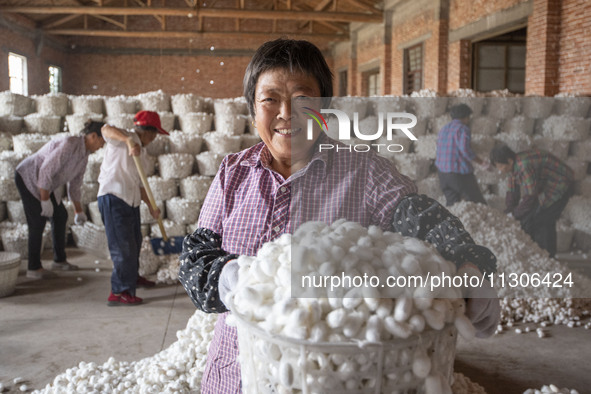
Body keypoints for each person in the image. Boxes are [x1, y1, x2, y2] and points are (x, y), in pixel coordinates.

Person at [178, 38, 500, 393]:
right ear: (253, 111)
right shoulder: (232, 173)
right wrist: (233, 277)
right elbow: (195, 260)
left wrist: (469, 264)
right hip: (236, 373)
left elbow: (425, 220)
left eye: (303, 100)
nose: (286, 113)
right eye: (270, 99)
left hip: (332, 378)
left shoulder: (364, 172)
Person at [15, 120, 105, 279]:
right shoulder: (70, 143)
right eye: (101, 141)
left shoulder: (84, 155)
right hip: (28, 177)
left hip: (46, 185)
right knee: (38, 221)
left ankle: (59, 260)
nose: (101, 146)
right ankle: (33, 267)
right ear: (92, 136)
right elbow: (46, 170)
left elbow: (75, 185)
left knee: (60, 215)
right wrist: (44, 200)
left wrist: (78, 211)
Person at [98, 110, 168, 306]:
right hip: (113, 198)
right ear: (148, 132)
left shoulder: (142, 153)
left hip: (131, 201)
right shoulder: (123, 138)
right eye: (154, 134)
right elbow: (105, 129)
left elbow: (139, 184)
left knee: (134, 243)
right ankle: (119, 292)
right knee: (123, 247)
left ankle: (132, 278)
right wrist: (128, 140)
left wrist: (151, 207)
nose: (154, 139)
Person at [490, 144, 574, 258]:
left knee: (544, 219)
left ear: (509, 161)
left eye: (500, 166)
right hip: (546, 184)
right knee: (529, 217)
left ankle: (548, 257)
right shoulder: (512, 167)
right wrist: (509, 211)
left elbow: (530, 196)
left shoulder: (523, 165)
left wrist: (514, 214)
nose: (500, 170)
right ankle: (534, 252)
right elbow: (512, 191)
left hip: (560, 182)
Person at [435, 103, 488, 206]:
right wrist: (482, 163)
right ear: (466, 117)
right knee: (478, 203)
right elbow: (465, 150)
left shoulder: (443, 129)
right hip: (458, 174)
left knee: (453, 206)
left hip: (442, 174)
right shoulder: (463, 129)